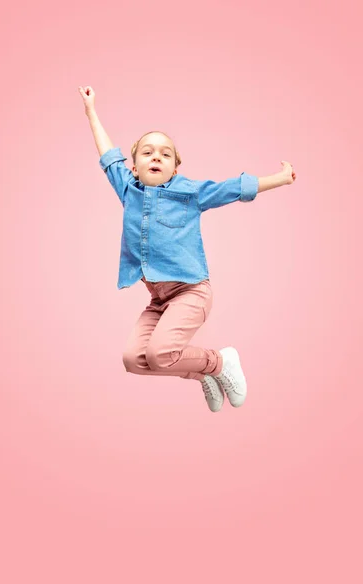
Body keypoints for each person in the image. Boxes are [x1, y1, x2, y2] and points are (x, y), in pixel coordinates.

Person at [78, 85, 296, 413]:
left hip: (192, 292)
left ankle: (221, 361)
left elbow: (232, 188)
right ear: (134, 167)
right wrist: (91, 111)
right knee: (133, 360)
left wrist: (280, 178)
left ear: (175, 169)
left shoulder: (188, 193)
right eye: (148, 152)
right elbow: (108, 157)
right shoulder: (128, 190)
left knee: (159, 354)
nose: (156, 156)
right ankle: (203, 374)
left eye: (165, 154)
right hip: (159, 299)